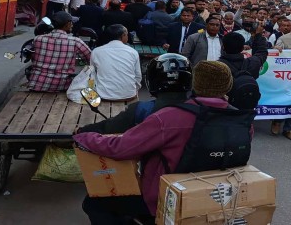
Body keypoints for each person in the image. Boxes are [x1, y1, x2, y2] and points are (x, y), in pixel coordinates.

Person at [74, 61, 237, 225]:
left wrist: (84, 137)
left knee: (93, 204)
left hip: (164, 196)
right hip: (216, 195)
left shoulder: (169, 117)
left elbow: (120, 148)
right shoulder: (239, 119)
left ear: (196, 82)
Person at [27, 11, 92, 92]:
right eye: (71, 22)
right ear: (67, 24)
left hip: (36, 84)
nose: (72, 25)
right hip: (61, 86)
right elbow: (91, 60)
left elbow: (33, 58)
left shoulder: (38, 39)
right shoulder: (75, 41)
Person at [90, 24, 142, 101]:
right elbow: (138, 76)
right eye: (127, 35)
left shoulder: (96, 51)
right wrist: (132, 90)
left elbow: (92, 75)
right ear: (123, 35)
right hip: (129, 96)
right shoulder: (133, 52)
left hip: (102, 96)